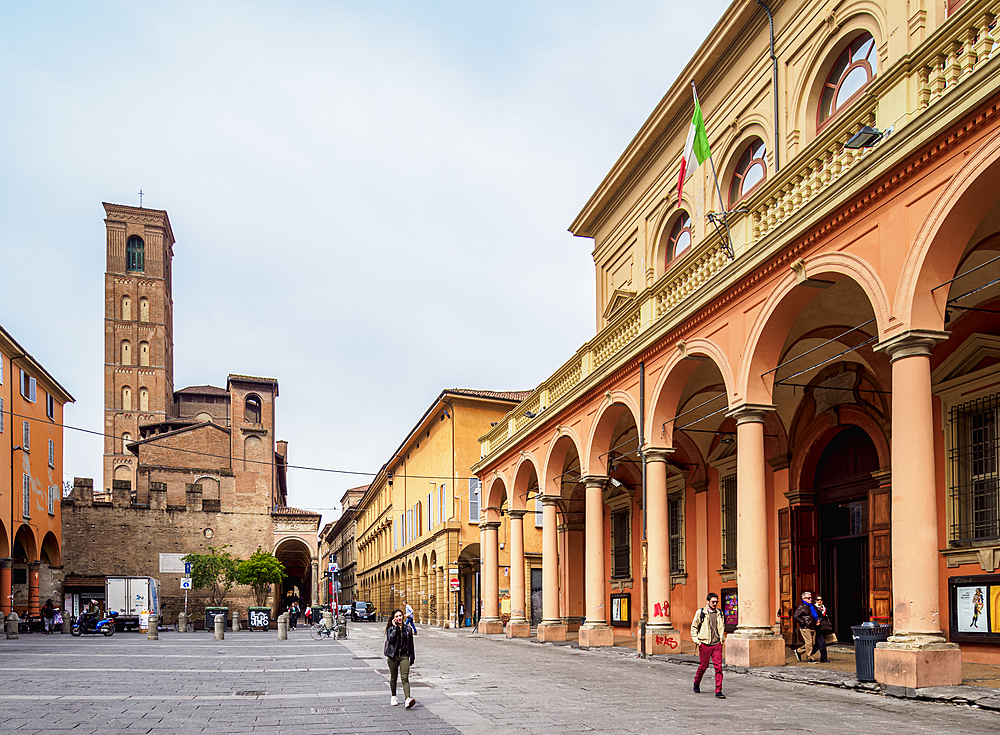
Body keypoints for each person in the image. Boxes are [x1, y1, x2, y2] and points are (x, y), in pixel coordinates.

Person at [690, 592, 726, 699]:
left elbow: (721, 627)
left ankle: (718, 690)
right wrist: (698, 641)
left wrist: (721, 640)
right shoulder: (701, 613)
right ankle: (696, 682)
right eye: (713, 602)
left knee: (718, 667)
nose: (715, 604)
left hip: (716, 645)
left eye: (716, 602)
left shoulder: (720, 613)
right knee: (703, 667)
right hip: (704, 644)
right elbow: (694, 628)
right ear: (708, 602)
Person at [384, 608, 416, 710]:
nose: (399, 618)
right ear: (393, 619)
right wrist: (394, 628)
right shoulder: (390, 629)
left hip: (404, 656)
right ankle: (393, 697)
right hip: (393, 656)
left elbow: (411, 644)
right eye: (397, 616)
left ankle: (407, 699)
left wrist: (412, 658)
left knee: (405, 677)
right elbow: (391, 639)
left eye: (400, 616)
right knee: (393, 677)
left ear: (403, 616)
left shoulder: (408, 628)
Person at [793, 591, 819, 663]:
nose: (810, 599)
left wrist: (817, 621)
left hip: (812, 627)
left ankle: (799, 651)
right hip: (805, 628)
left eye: (811, 598)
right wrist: (804, 622)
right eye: (808, 598)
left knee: (812, 643)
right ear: (804, 599)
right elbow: (796, 616)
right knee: (809, 643)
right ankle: (810, 658)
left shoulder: (811, 607)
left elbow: (814, 616)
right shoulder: (801, 607)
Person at [813, 595, 833, 663]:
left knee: (817, 644)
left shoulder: (824, 608)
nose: (820, 601)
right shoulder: (814, 608)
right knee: (822, 643)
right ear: (815, 601)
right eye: (818, 600)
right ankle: (823, 658)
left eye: (821, 599)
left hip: (824, 627)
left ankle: (806, 653)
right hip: (818, 627)